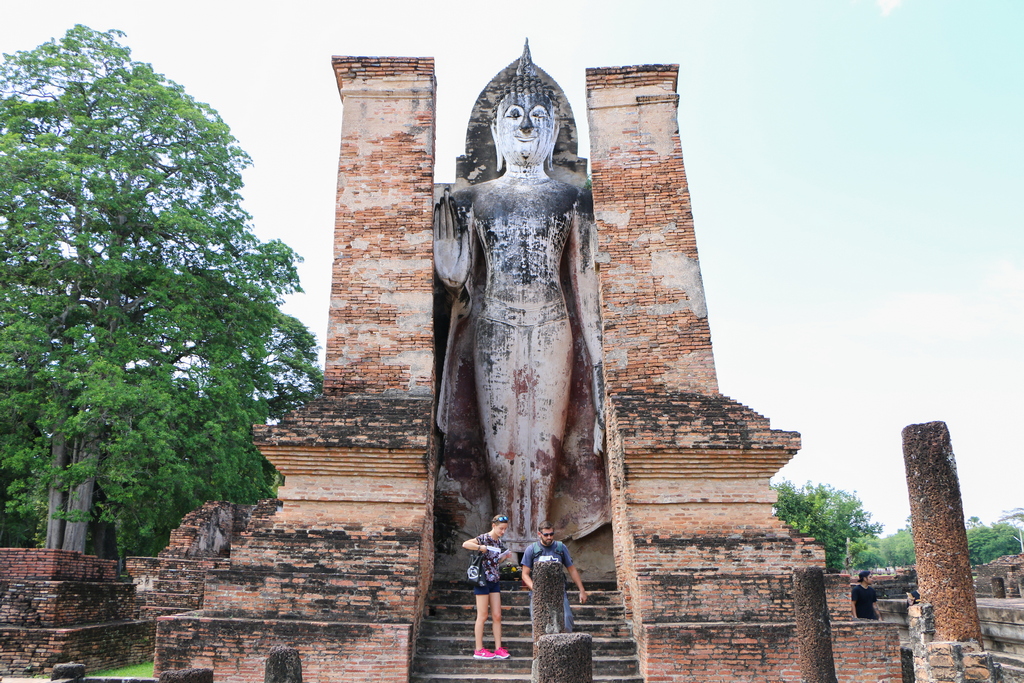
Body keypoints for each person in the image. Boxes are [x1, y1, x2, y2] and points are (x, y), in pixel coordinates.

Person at [434, 42, 604, 546]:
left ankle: (539, 538)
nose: (526, 126)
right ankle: (506, 533)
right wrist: (450, 266)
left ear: (553, 131)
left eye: (537, 117)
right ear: (496, 130)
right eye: (514, 116)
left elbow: (584, 286)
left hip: (554, 325)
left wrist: (598, 367)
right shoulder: (477, 200)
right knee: (501, 440)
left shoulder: (570, 198)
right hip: (494, 325)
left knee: (545, 438)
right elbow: (463, 279)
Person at [462, 514, 514, 659]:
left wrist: (504, 557)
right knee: (483, 615)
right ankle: (479, 649)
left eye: (504, 529)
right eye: (500, 529)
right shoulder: (484, 538)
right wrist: (480, 547)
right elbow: (465, 544)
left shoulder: (499, 542)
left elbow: (495, 561)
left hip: (494, 580)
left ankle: (498, 648)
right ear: (493, 526)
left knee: (497, 615)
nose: (502, 532)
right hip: (482, 580)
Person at [520, 521, 587, 632]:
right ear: (539, 534)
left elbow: (572, 569)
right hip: (538, 593)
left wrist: (582, 590)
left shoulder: (560, 548)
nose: (549, 537)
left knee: (566, 619)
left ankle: (565, 645)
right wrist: (535, 589)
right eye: (546, 535)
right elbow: (524, 574)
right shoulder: (531, 550)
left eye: (551, 534)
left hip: (559, 592)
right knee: (538, 624)